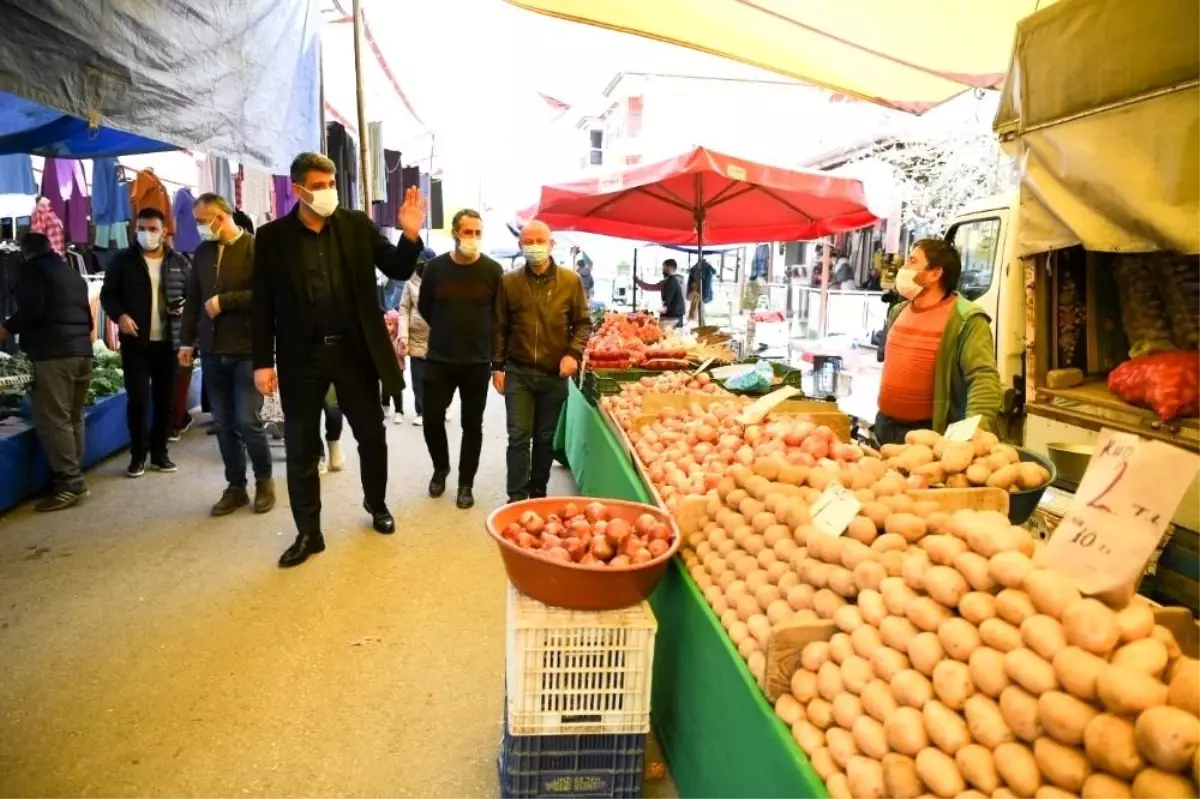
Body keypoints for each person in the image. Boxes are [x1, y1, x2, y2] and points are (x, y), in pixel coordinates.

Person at [251, 152, 425, 568]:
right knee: (300, 446)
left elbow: (398, 267)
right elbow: (263, 305)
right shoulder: (272, 238)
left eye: (332, 184)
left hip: (353, 351)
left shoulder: (355, 226)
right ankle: (309, 533)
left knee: (371, 434)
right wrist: (262, 361)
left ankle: (376, 503)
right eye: (320, 185)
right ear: (298, 190)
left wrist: (411, 234)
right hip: (301, 356)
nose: (329, 192)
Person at [179, 193, 275, 516]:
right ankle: (236, 486)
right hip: (211, 350)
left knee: (248, 421)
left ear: (222, 216)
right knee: (222, 424)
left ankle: (264, 480)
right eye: (198, 222)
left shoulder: (255, 248)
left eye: (204, 221)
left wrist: (225, 301)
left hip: (247, 349)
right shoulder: (202, 253)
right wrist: (186, 342)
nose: (201, 227)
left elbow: (266, 295)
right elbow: (193, 300)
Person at [493, 220, 591, 502]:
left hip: (553, 374)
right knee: (519, 437)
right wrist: (497, 366)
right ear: (520, 245)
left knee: (544, 438)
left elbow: (583, 324)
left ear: (551, 244)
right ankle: (516, 497)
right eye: (528, 241)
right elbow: (500, 327)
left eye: (540, 241)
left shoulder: (570, 281)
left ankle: (538, 492)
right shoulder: (509, 282)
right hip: (518, 371)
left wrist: (573, 354)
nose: (534, 247)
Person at [875, 239, 1003, 446]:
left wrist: (973, 434)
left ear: (935, 273)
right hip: (885, 427)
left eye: (912, 262)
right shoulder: (898, 311)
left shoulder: (966, 320)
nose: (904, 269)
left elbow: (983, 378)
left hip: (929, 435)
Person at [417, 208, 504, 510]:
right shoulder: (435, 268)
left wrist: (496, 360)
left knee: (472, 425)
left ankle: (466, 483)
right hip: (440, 360)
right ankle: (441, 468)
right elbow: (425, 308)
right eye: (468, 232)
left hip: (476, 363)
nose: (473, 238)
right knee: (431, 420)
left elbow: (498, 317)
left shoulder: (493, 271)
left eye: (478, 232)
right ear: (455, 233)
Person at [0, 233, 93, 510]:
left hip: (53, 354)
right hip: (82, 353)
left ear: (25, 253)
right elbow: (88, 318)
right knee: (74, 417)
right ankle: (74, 476)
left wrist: (6, 329)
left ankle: (69, 483)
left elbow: (32, 309)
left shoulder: (31, 270)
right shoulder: (71, 273)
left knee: (55, 420)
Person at [101, 207, 190, 477]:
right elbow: (108, 296)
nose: (146, 234)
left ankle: (160, 454)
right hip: (136, 343)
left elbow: (192, 295)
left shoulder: (178, 261)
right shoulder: (123, 261)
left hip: (168, 343)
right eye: (141, 228)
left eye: (152, 229)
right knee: (138, 400)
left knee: (165, 401)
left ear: (164, 231)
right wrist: (120, 316)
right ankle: (137, 456)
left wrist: (183, 308)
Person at [398, 248, 434, 426]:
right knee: (418, 380)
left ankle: (440, 407)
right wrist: (403, 335)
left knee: (436, 379)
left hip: (437, 340)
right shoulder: (410, 282)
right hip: (416, 338)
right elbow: (404, 309)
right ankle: (422, 411)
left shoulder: (440, 280)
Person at [634, 258, 686, 329]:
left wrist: (638, 281)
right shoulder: (681, 279)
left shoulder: (669, 281)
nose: (663, 271)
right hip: (679, 314)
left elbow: (651, 288)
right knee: (676, 337)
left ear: (669, 267)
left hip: (671, 316)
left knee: (669, 337)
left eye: (664, 268)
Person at [381, 309, 406, 423]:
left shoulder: (399, 339)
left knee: (397, 389)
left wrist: (403, 347)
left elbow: (402, 353)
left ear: (396, 325)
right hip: (385, 367)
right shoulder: (382, 339)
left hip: (398, 367)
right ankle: (385, 405)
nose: (387, 327)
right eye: (385, 324)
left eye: (390, 324)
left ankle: (399, 411)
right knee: (385, 389)